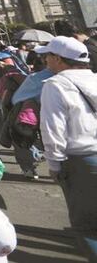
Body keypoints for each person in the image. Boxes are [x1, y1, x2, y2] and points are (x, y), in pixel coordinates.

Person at [37, 36, 97, 259]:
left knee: (86, 226)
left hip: (83, 162)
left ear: (58, 59)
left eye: (47, 56)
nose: (45, 60)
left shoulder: (56, 85)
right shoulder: (94, 79)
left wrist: (54, 164)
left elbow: (53, 130)